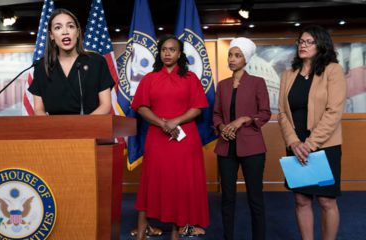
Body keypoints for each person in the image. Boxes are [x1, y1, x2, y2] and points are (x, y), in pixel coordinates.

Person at [131, 34, 209, 240]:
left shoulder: (190, 78)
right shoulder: (149, 78)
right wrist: (162, 122)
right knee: (151, 182)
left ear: (179, 53)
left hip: (184, 139)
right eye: (164, 49)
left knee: (180, 184)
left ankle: (176, 232)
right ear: (159, 52)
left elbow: (198, 108)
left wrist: (175, 121)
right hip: (157, 138)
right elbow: (141, 106)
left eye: (172, 49)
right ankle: (141, 231)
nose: (167, 53)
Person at [277, 25, 347, 240]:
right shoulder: (289, 75)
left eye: (309, 42)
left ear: (321, 45)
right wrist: (294, 142)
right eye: (300, 41)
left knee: (326, 201)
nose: (303, 45)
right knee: (302, 200)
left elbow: (334, 111)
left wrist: (309, 144)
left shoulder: (332, 70)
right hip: (296, 147)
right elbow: (281, 112)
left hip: (325, 146)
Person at [213, 37, 271, 240]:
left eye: (237, 55)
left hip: (252, 148)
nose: (232, 59)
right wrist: (221, 127)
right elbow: (216, 114)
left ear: (246, 59)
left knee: (255, 198)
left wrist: (243, 120)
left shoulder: (257, 82)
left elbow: (265, 113)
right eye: (230, 54)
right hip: (225, 148)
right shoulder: (222, 85)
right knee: (227, 198)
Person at [28, 8, 113, 115]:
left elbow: (105, 105)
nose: (65, 32)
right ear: (51, 35)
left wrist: (84, 127)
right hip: (54, 129)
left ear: (77, 32)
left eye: (70, 26)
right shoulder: (41, 66)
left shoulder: (97, 62)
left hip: (90, 128)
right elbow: (39, 110)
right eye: (58, 27)